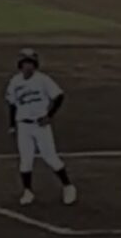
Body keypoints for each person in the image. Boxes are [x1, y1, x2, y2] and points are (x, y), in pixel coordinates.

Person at [6, 49, 77, 206]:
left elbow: (59, 96)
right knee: (25, 160)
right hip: (23, 126)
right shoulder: (15, 82)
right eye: (25, 63)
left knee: (50, 157)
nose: (28, 66)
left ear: (35, 65)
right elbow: (12, 104)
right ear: (20, 65)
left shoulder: (43, 80)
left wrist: (49, 115)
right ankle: (28, 191)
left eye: (30, 63)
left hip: (40, 125)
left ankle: (68, 186)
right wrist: (12, 125)